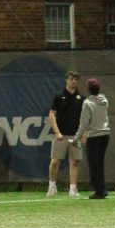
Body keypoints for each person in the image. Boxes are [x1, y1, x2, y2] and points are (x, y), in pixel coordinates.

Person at [47, 71, 83, 199]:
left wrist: (83, 134)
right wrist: (57, 132)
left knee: (74, 162)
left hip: (75, 136)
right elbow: (51, 115)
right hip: (61, 135)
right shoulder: (59, 96)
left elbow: (84, 118)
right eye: (71, 79)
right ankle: (52, 187)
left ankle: (73, 189)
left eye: (76, 79)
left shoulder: (81, 98)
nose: (73, 81)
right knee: (55, 161)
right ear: (66, 80)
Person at [76, 78, 110, 200]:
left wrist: (76, 139)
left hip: (94, 136)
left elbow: (83, 124)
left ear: (88, 89)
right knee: (99, 163)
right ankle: (102, 189)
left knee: (94, 164)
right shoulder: (104, 100)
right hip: (105, 135)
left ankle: (99, 191)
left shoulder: (87, 103)